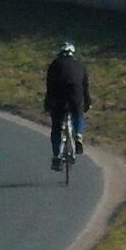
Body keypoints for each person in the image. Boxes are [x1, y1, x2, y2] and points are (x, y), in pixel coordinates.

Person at [43, 40, 92, 175]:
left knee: (56, 127)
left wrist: (48, 104)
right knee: (77, 114)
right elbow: (85, 87)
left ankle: (57, 156)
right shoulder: (80, 65)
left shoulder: (54, 65)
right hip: (75, 93)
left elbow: (50, 87)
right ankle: (79, 136)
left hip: (58, 94)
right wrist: (87, 103)